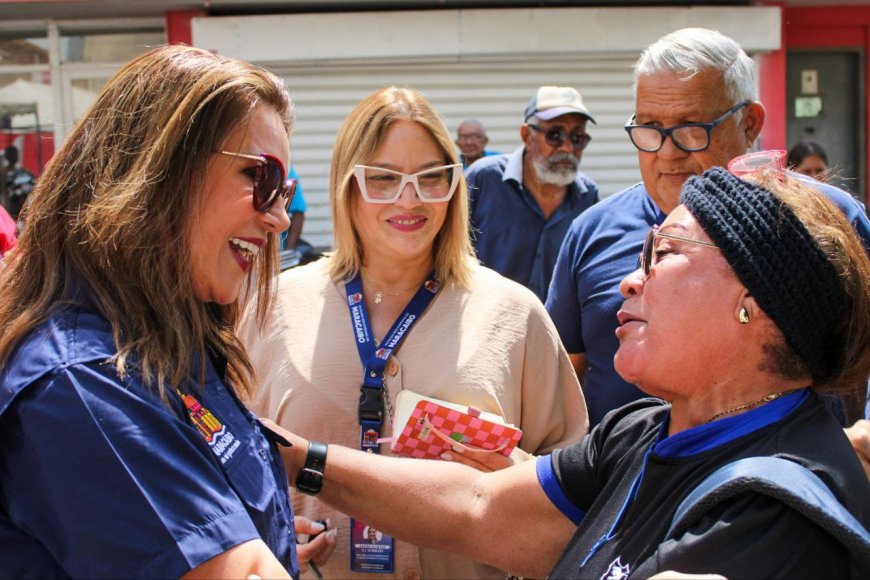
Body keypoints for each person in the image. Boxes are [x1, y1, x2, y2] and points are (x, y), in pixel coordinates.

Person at [269, 165, 870, 578]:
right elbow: (481, 505)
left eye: (664, 254)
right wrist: (298, 456)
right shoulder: (646, 433)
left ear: (755, 303)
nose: (631, 280)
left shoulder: (773, 519)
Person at [0, 45, 337, 578]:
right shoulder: (85, 385)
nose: (277, 218)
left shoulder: (164, 337)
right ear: (156, 169)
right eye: (261, 177)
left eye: (285, 191)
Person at [239, 86, 588, 580]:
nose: (411, 199)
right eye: (383, 178)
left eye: (432, 178)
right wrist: (262, 534)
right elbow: (221, 466)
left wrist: (521, 479)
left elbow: (574, 482)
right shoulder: (270, 307)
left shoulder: (514, 313)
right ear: (347, 186)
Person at [546, 27, 870, 427]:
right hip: (629, 485)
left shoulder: (825, 219)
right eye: (649, 127)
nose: (667, 152)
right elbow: (562, 379)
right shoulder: (592, 232)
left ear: (749, 123)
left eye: (690, 128)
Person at [467, 85, 599, 301]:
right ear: (526, 135)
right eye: (555, 135)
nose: (567, 148)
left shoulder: (587, 196)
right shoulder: (483, 179)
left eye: (577, 138)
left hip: (553, 332)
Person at [2, 144, 35, 224]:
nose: (14, 156)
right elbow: (4, 194)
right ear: (7, 156)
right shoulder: (3, 174)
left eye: (15, 154)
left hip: (24, 211)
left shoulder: (24, 173)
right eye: (12, 154)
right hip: (11, 211)